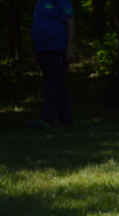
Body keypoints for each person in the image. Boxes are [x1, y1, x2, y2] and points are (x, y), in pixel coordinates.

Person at [29, 0, 76, 129]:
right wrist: (36, 48)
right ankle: (66, 119)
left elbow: (71, 24)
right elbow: (38, 24)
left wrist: (69, 49)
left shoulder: (61, 1)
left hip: (58, 49)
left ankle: (46, 119)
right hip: (43, 50)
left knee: (53, 82)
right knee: (56, 83)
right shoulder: (40, 2)